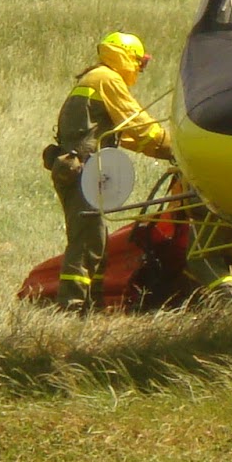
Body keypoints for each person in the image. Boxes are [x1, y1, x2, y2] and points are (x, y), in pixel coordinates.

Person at [46, 31, 173, 312]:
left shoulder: (94, 77)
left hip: (79, 170)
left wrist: (157, 147)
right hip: (83, 171)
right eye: (139, 62)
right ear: (125, 57)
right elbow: (140, 126)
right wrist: (174, 148)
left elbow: (125, 135)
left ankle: (94, 305)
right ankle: (72, 307)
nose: (140, 69)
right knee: (86, 242)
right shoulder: (107, 79)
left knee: (96, 240)